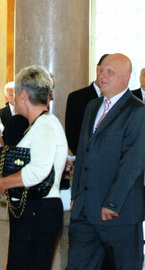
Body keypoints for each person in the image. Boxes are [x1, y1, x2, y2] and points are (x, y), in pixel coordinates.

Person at [66, 53, 145, 269]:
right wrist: (76, 195)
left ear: (126, 77)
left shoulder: (138, 112)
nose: (103, 76)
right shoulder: (92, 106)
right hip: (84, 210)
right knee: (77, 265)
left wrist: (112, 203)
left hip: (119, 212)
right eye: (102, 70)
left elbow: (133, 164)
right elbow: (83, 152)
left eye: (110, 72)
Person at [0, 65, 68, 269]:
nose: (14, 99)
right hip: (33, 209)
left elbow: (38, 171)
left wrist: (2, 183)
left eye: (15, 94)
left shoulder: (45, 125)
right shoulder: (39, 125)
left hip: (39, 210)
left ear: (24, 94)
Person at [65, 54, 108, 155]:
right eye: (106, 70)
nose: (108, 76)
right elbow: (71, 134)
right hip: (85, 159)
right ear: (98, 69)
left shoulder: (119, 101)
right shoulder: (76, 98)